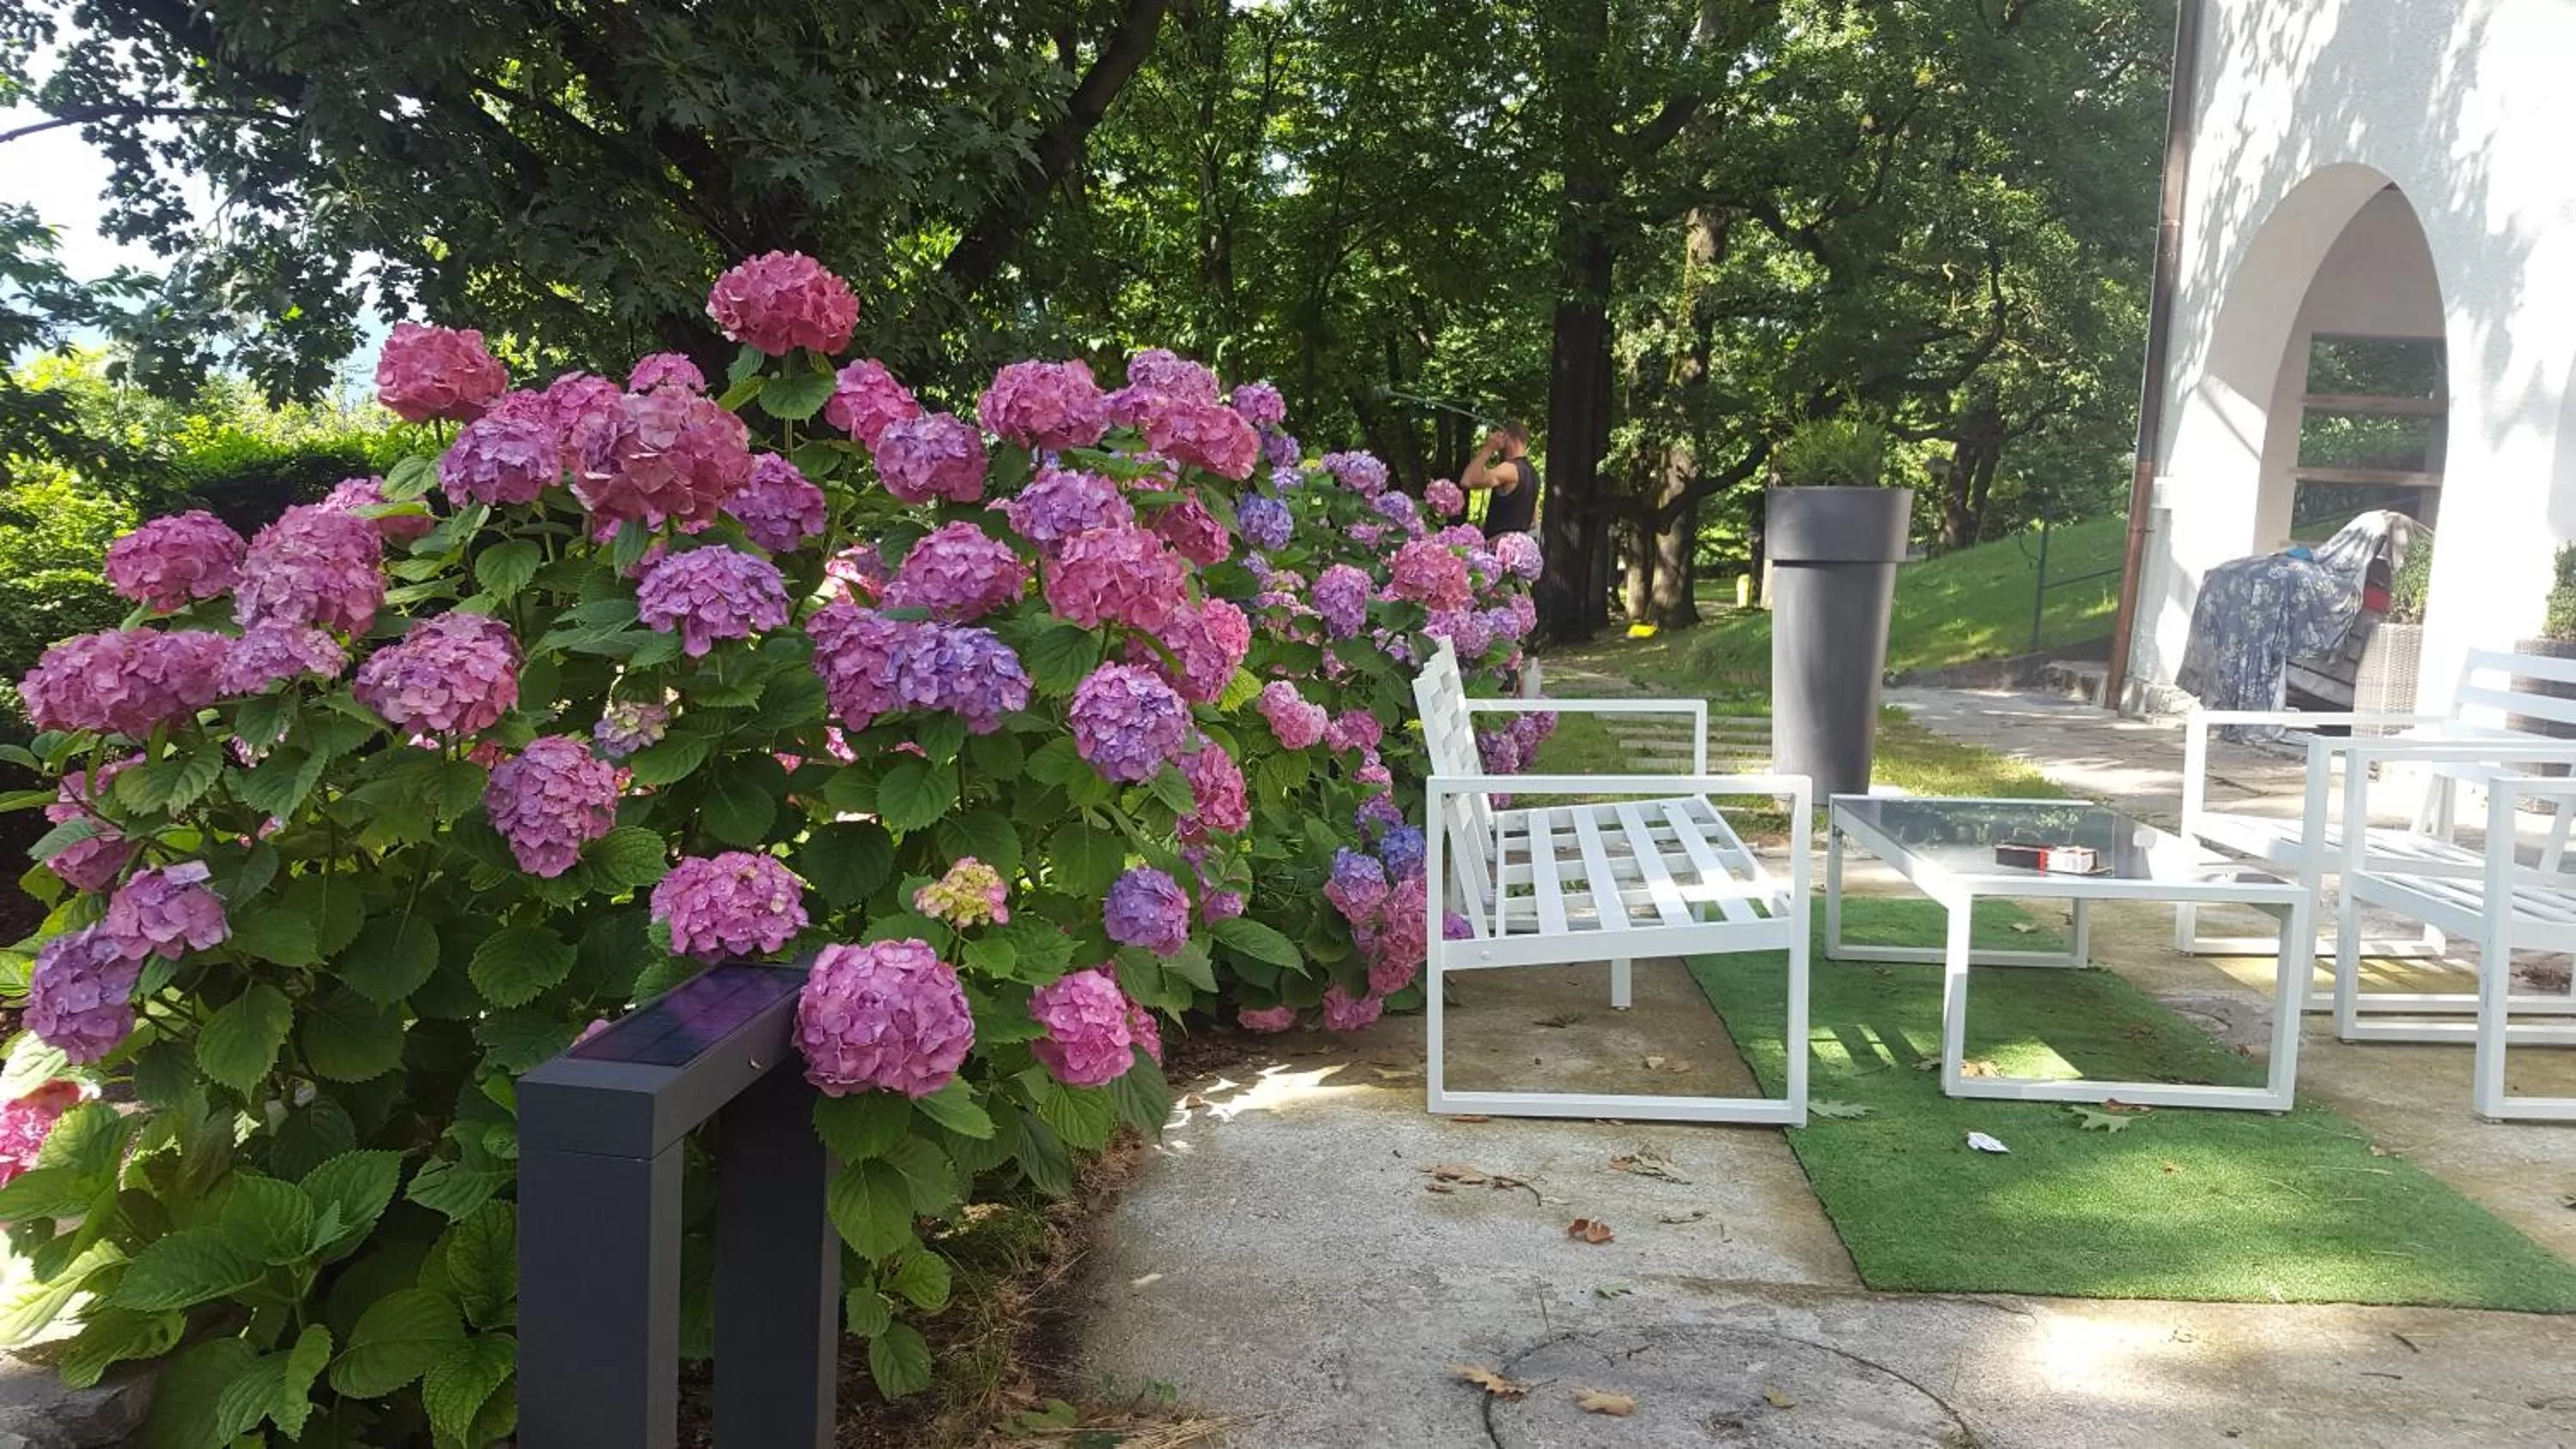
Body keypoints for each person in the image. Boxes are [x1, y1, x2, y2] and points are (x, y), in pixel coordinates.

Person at [1461, 420, 1540, 539]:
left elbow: (1467, 480)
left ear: (1505, 437)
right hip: (1520, 548)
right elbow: (1534, 520)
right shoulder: (1533, 473)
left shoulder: (1510, 469)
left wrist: (1488, 448)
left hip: (1501, 549)